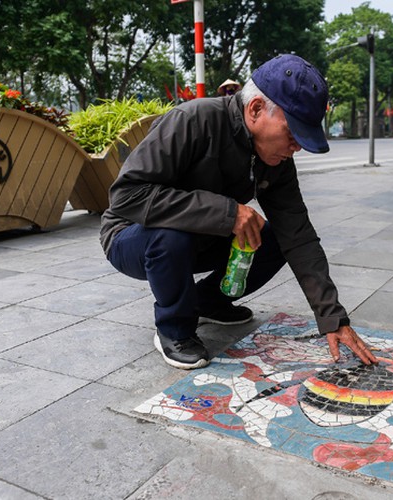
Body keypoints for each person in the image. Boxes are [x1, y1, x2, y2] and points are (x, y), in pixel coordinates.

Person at [100, 54, 378, 370]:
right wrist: (227, 212)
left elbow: (298, 235)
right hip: (134, 236)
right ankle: (174, 329)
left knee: (273, 239)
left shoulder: (277, 160)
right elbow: (127, 197)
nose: (295, 148)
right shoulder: (192, 120)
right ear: (256, 109)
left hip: (199, 236)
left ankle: (209, 301)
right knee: (172, 234)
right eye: (292, 134)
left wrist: (333, 318)